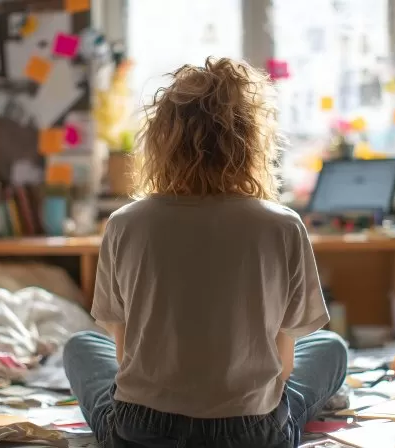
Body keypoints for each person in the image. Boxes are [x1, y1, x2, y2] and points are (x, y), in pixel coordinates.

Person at [64, 57, 347, 448]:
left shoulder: (125, 224)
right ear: (252, 141)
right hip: (250, 433)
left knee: (80, 347)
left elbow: (125, 355)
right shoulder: (282, 225)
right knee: (332, 347)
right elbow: (283, 369)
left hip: (143, 432)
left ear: (160, 142)